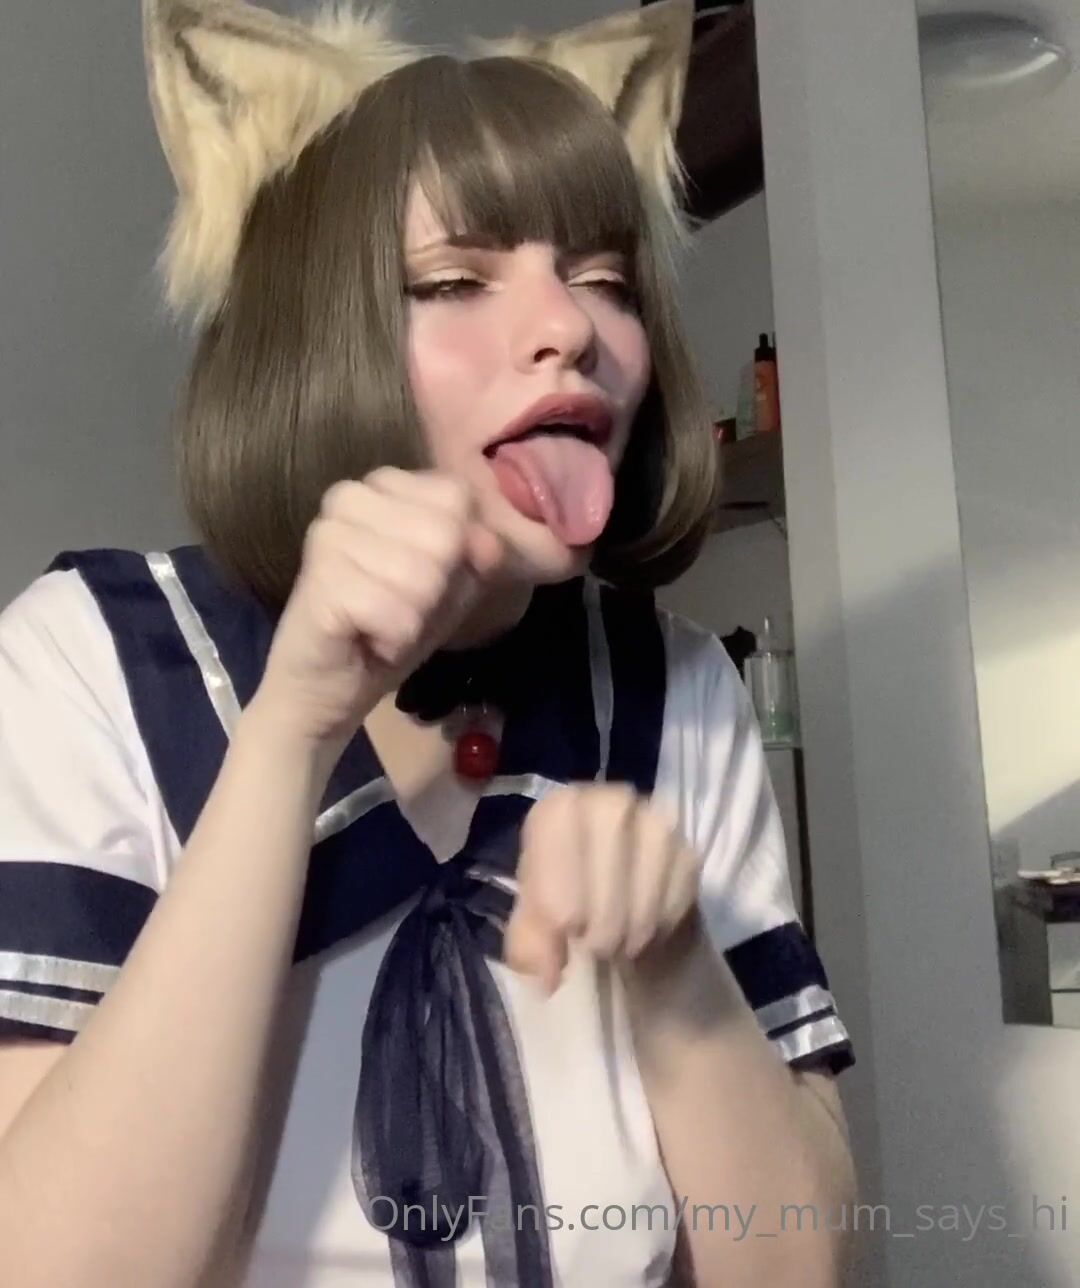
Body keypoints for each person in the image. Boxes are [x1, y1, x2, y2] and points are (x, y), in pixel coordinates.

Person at [0, 1, 857, 1284]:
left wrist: (678, 963)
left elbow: (796, 1270)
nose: (570, 326)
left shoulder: (679, 689)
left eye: (604, 280)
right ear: (312, 334)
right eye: (455, 281)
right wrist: (292, 727)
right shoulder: (92, 661)